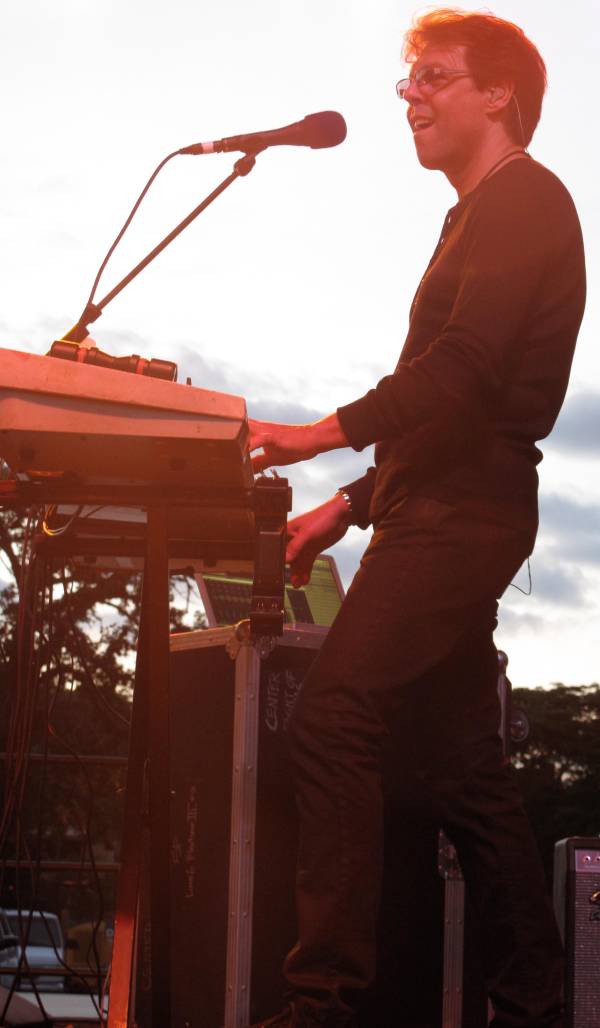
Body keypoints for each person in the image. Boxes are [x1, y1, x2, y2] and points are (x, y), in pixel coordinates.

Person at [248, 9, 586, 1028]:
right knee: (463, 772)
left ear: (499, 95)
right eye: (408, 82)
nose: (409, 97)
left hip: (462, 514)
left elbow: (465, 371)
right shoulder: (474, 214)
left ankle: (323, 1005)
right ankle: (532, 1002)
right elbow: (445, 402)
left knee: (333, 719)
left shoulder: (525, 200)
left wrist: (323, 434)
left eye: (432, 77)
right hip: (438, 503)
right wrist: (349, 508)